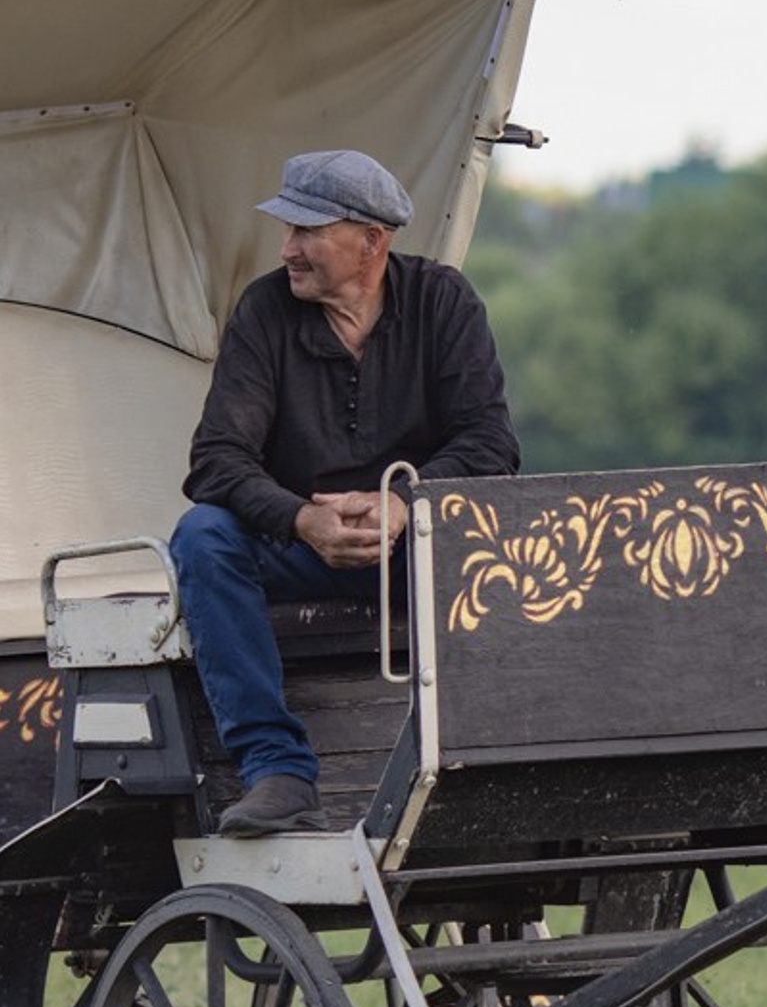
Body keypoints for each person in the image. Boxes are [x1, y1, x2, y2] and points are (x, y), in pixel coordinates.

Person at [172, 148, 520, 836]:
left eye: (306, 232)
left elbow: (490, 446)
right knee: (203, 537)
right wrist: (303, 520)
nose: (287, 248)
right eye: (287, 230)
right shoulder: (265, 311)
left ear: (372, 240)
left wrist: (401, 507)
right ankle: (277, 769)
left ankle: (482, 755)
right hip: (297, 549)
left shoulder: (444, 301)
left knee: (499, 543)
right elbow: (216, 460)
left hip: (414, 552)